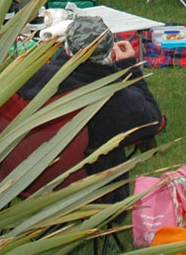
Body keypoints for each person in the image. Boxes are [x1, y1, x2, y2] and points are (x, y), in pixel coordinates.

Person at [17, 17, 164, 180]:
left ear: (67, 49)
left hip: (26, 180)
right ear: (111, 53)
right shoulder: (120, 100)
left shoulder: (30, 81)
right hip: (94, 186)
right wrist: (129, 68)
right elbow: (153, 121)